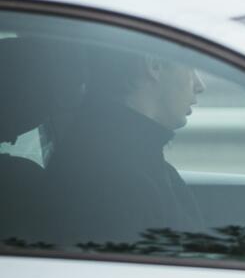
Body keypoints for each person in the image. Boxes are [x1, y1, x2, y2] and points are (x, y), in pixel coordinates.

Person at [45, 46, 206, 243]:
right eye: (190, 68)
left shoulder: (122, 155)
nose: (200, 85)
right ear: (154, 65)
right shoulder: (114, 180)